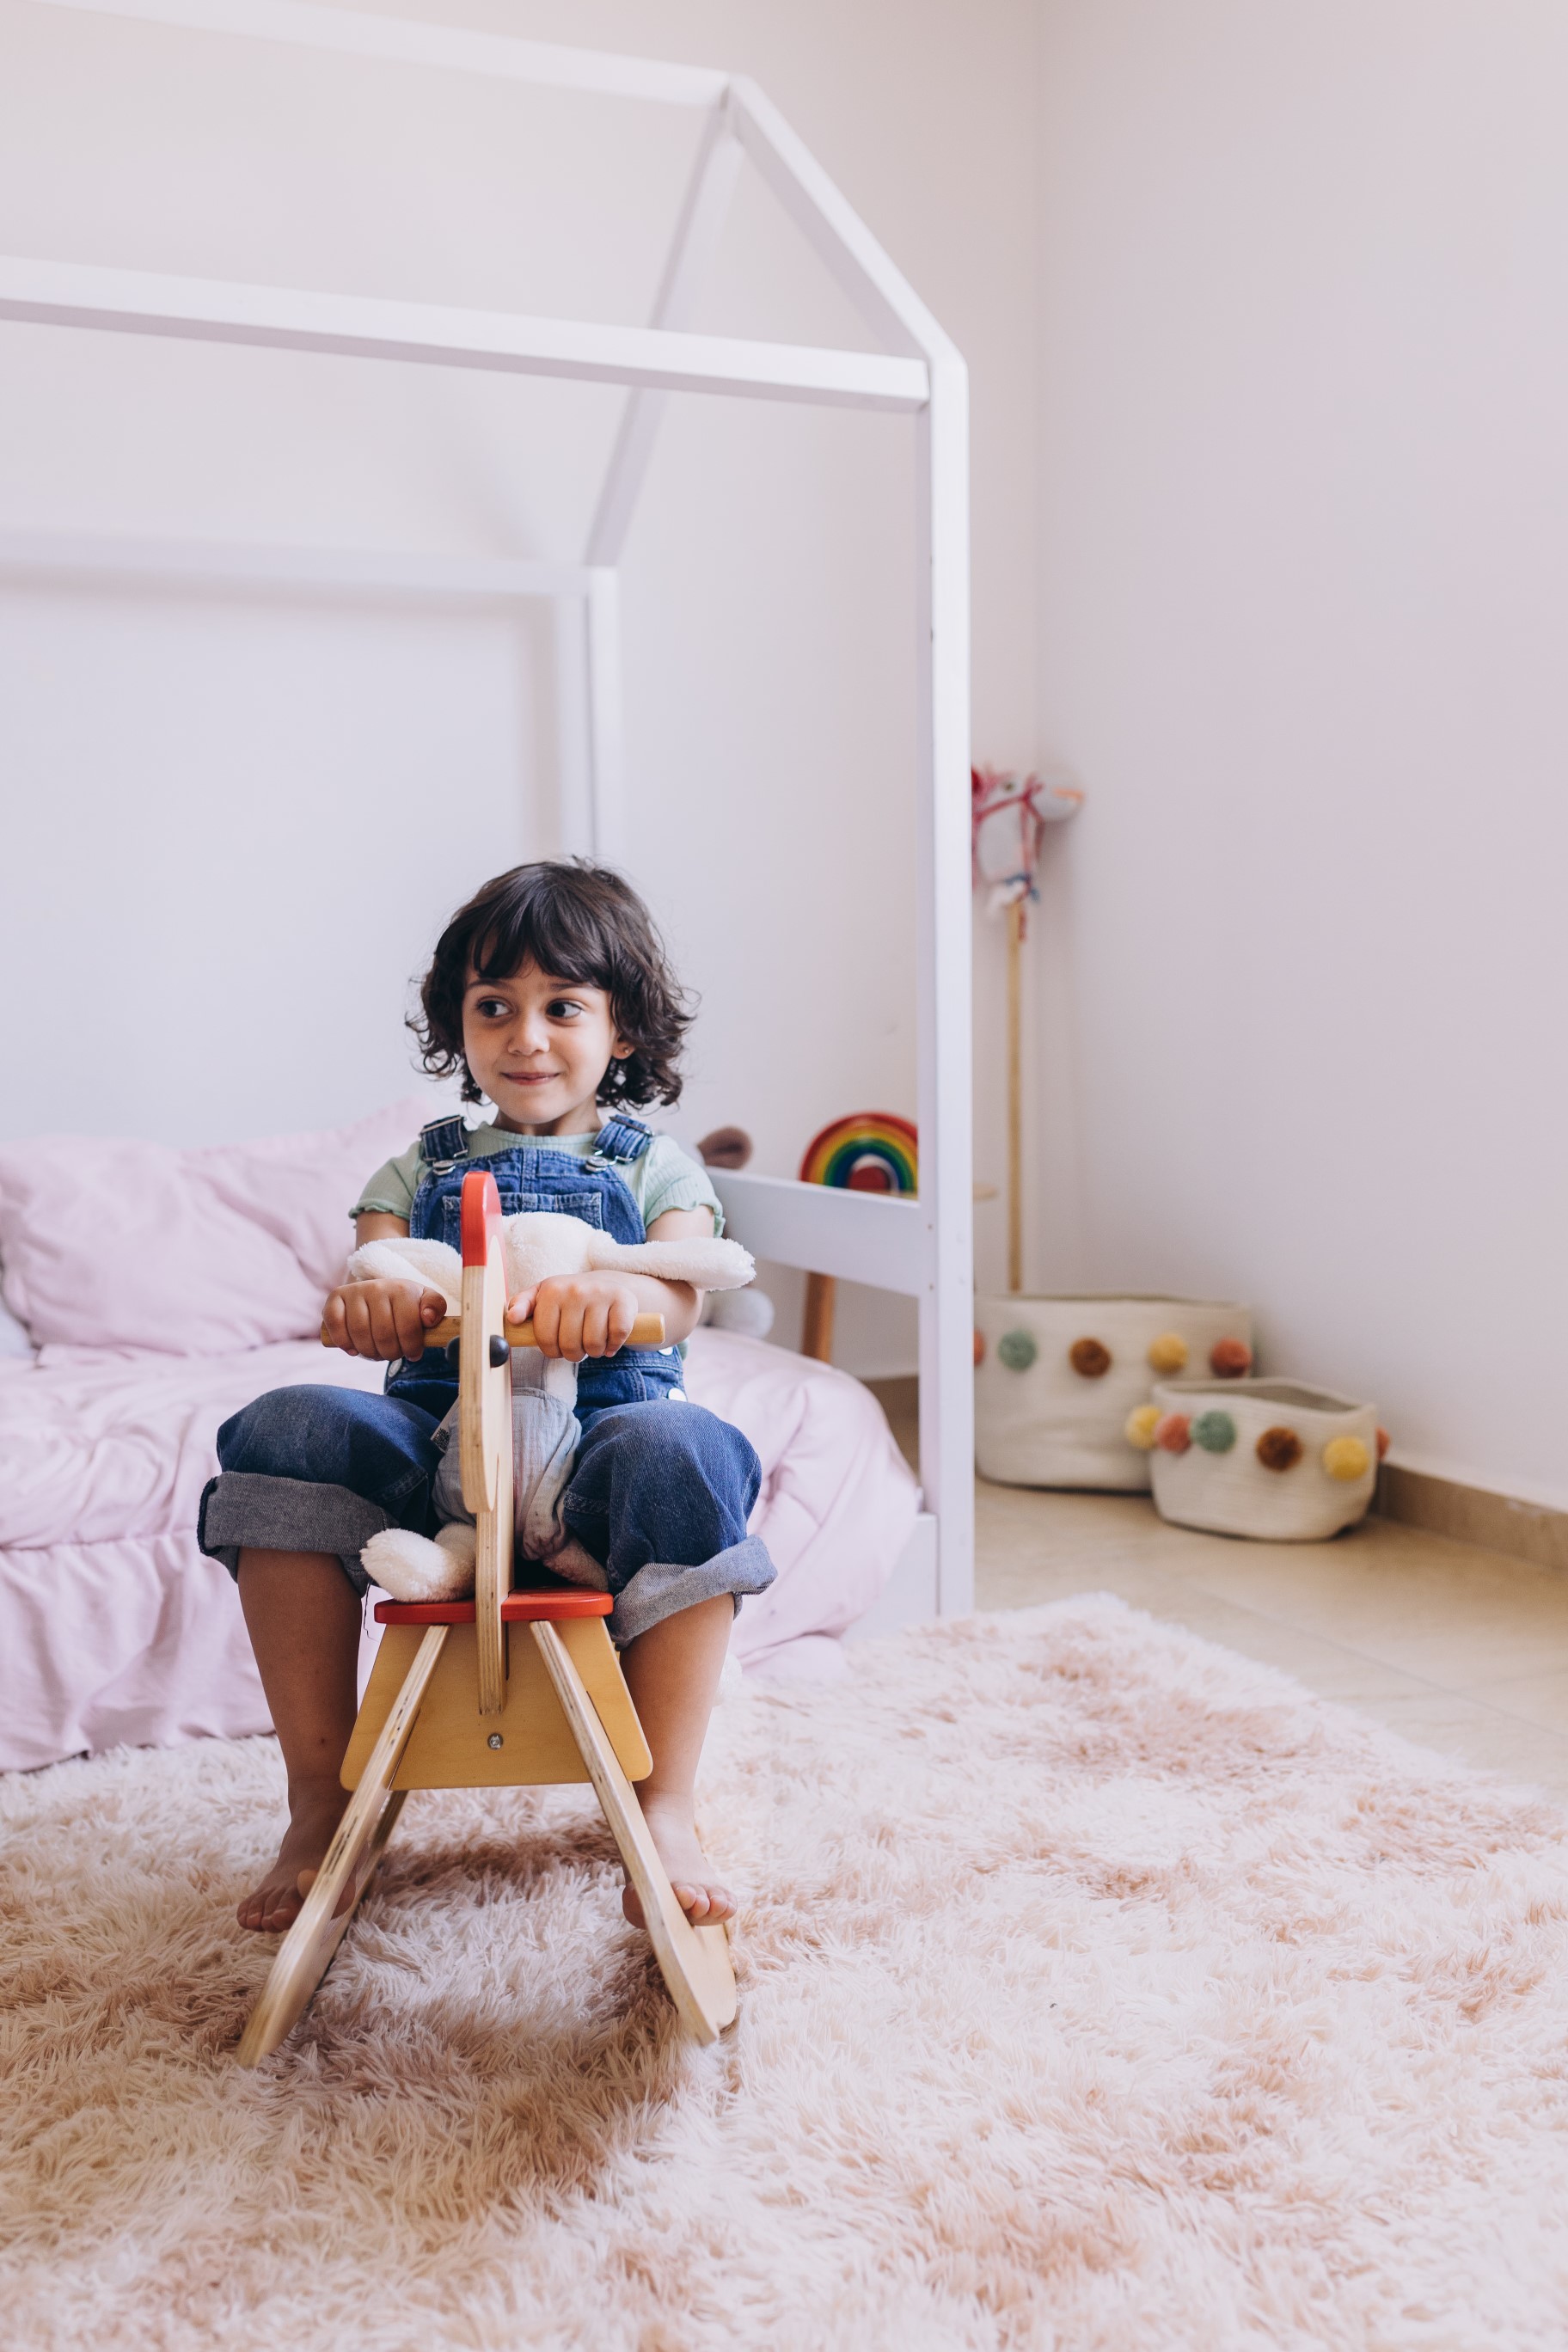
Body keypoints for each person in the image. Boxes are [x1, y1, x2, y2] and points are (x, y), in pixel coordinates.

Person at [199, 861, 774, 1939]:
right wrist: (372, 1306)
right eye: (494, 1008)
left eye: (564, 1007)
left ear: (625, 1032)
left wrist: (623, 1293)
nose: (527, 1037)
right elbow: (379, 1272)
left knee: (690, 1444)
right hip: (441, 1457)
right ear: (457, 1026)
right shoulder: (412, 1167)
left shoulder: (659, 1170)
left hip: (597, 1459)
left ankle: (664, 1808)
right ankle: (320, 1805)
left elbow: (687, 1294)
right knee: (285, 1422)